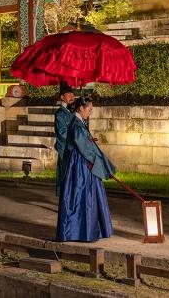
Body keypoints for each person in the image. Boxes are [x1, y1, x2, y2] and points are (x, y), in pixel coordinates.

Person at [56, 96, 116, 242]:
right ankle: (78, 231)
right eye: (89, 109)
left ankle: (86, 230)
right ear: (81, 108)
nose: (90, 112)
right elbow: (85, 148)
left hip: (81, 162)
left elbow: (86, 144)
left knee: (86, 196)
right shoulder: (76, 124)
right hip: (80, 164)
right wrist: (98, 162)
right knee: (81, 196)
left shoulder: (79, 122)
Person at [53, 82, 76, 195]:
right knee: (65, 174)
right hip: (66, 150)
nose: (72, 96)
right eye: (69, 94)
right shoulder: (60, 114)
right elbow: (62, 134)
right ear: (62, 97)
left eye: (73, 94)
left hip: (73, 148)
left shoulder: (72, 111)